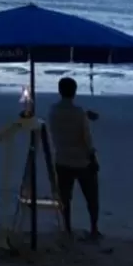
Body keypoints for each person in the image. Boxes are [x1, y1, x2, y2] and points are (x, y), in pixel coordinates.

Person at [46, 77, 101, 240]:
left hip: (62, 158)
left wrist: (84, 113)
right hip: (82, 160)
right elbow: (87, 138)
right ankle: (93, 229)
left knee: (65, 197)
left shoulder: (53, 111)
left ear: (59, 91)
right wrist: (93, 157)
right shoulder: (79, 113)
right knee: (91, 196)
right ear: (75, 92)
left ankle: (67, 227)